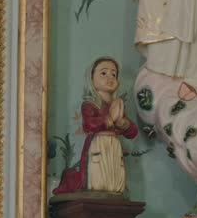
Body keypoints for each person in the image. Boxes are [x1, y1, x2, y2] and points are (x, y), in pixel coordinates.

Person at [53, 56, 138, 195]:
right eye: (103, 73)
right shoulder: (90, 104)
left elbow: (132, 132)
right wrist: (109, 119)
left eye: (114, 74)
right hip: (98, 143)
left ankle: (112, 190)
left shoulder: (117, 105)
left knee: (114, 173)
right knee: (98, 174)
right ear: (91, 78)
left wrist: (123, 124)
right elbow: (89, 125)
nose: (110, 77)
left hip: (114, 145)